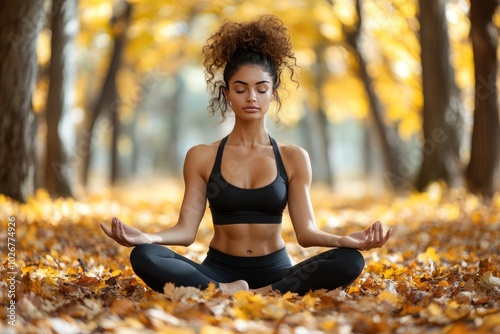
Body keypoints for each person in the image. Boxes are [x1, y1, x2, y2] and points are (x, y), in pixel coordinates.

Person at [100, 14, 391, 295]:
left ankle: (259, 292)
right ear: (227, 93)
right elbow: (186, 231)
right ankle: (227, 290)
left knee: (350, 260)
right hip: (218, 270)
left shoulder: (292, 157)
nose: (251, 97)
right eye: (241, 89)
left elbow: (306, 232)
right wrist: (147, 237)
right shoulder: (202, 156)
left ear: (273, 94)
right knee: (146, 256)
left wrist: (344, 239)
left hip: (276, 272)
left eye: (261, 89)